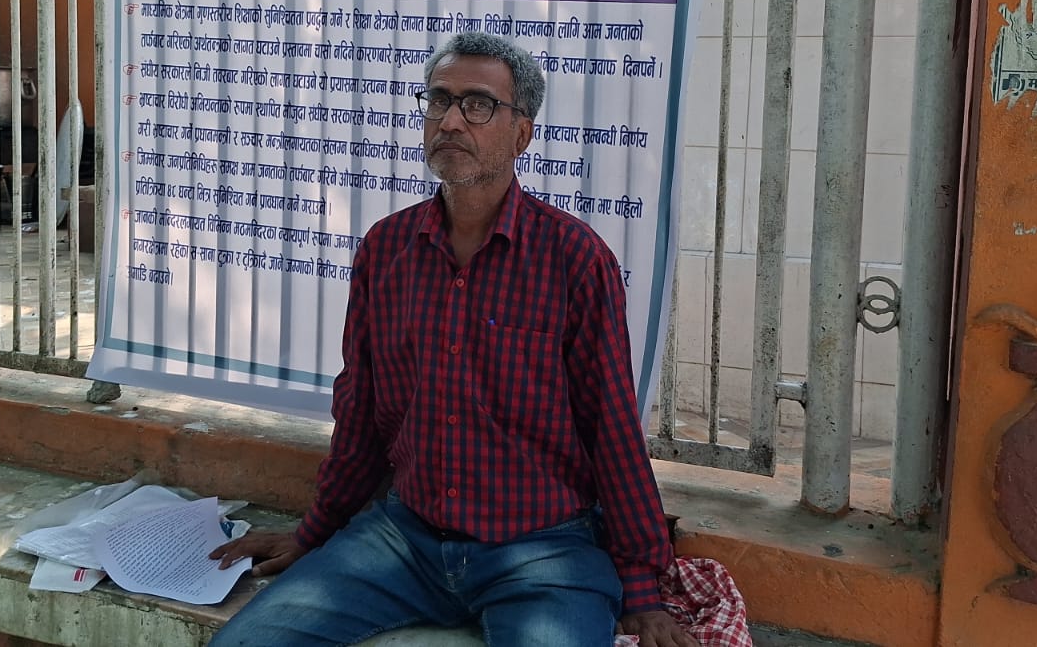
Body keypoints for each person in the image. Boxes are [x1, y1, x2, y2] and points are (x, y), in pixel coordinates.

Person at [209, 32, 698, 647]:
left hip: (544, 549)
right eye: (439, 100)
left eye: (478, 105)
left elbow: (612, 430)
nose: (450, 120)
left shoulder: (574, 259)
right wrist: (315, 531)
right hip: (404, 539)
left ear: (521, 134)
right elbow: (360, 412)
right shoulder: (387, 250)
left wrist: (643, 590)